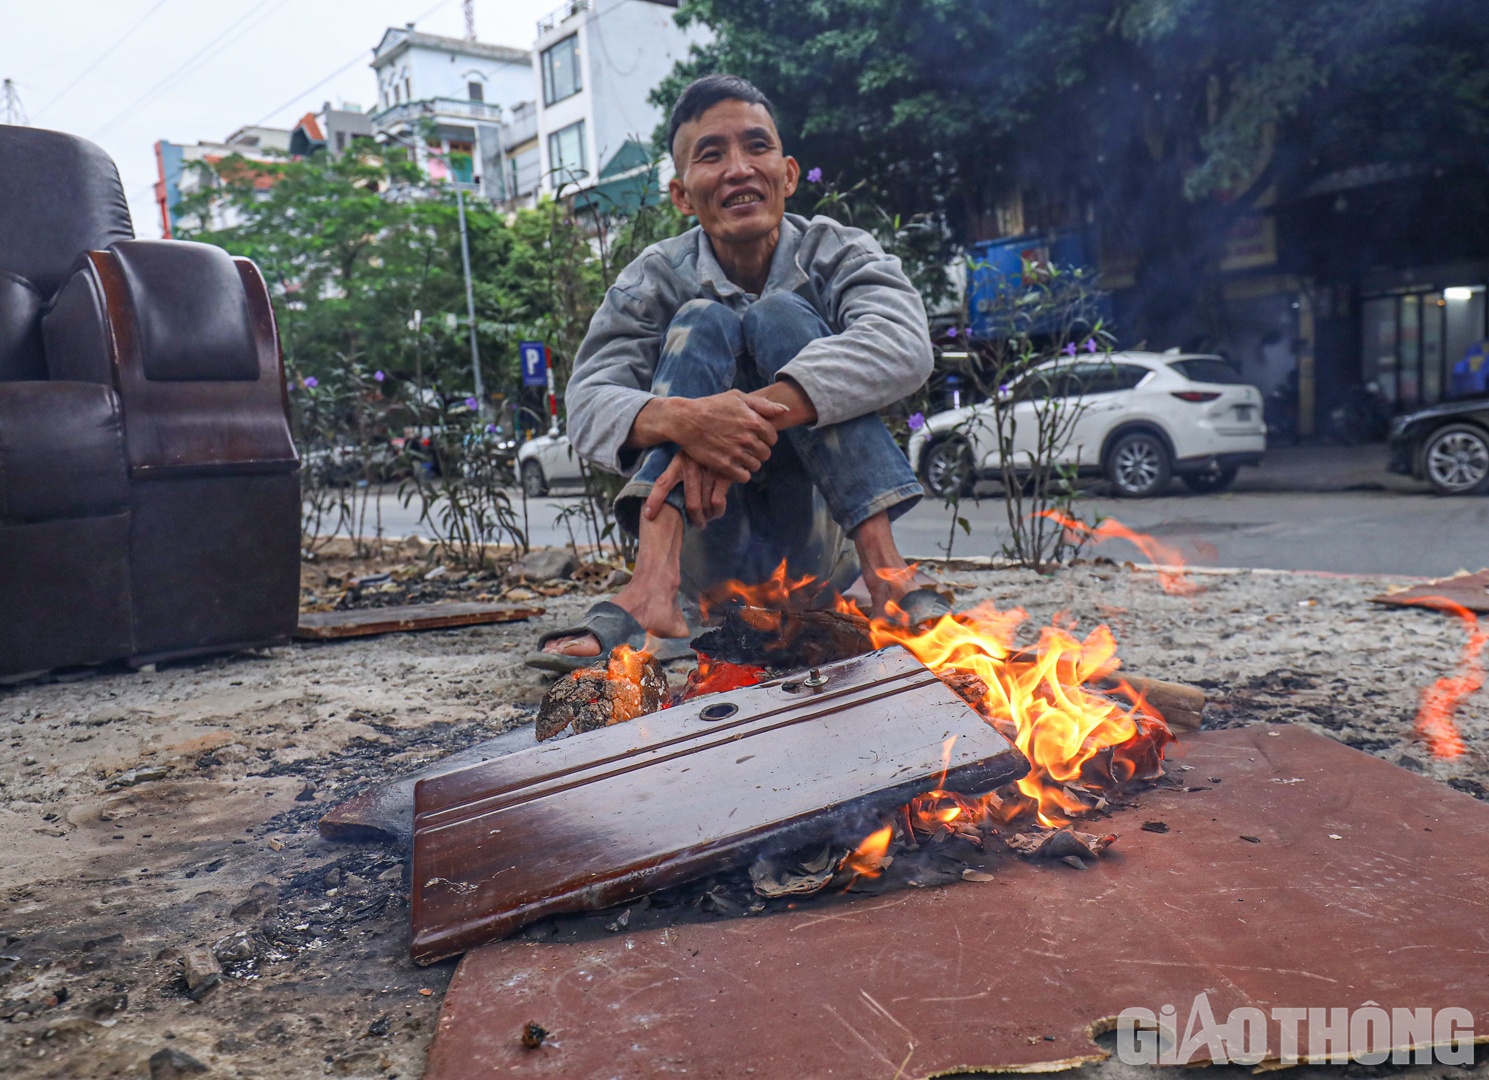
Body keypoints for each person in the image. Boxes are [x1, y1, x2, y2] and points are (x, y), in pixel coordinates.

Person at [530, 74, 946, 671]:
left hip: (821, 558)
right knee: (702, 320)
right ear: (680, 194)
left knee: (781, 316)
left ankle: (886, 576)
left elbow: (903, 344)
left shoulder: (837, 252)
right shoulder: (652, 278)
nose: (739, 168)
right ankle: (652, 590)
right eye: (711, 154)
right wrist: (687, 419)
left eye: (757, 146)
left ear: (789, 173)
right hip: (707, 564)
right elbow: (588, 403)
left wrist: (735, 421)